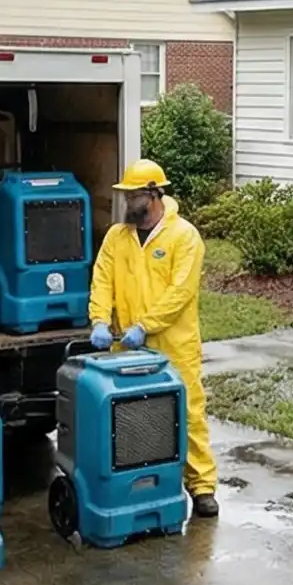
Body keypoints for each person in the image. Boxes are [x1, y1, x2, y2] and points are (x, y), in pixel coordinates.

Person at [87, 158, 219, 516]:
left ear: (154, 194)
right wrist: (99, 319)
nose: (127, 204)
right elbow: (102, 280)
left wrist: (146, 325)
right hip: (127, 348)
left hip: (173, 345)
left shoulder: (184, 236)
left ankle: (202, 486)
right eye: (125, 197)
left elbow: (181, 292)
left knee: (187, 412)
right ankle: (143, 486)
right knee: (134, 418)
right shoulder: (118, 237)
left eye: (133, 197)